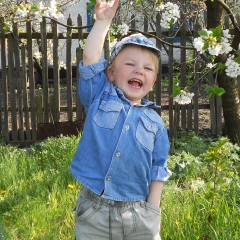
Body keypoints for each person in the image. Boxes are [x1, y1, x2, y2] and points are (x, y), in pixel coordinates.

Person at [70, 0, 170, 239]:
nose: (139, 71)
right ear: (112, 73)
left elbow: (158, 170)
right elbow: (91, 59)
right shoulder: (100, 97)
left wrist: (152, 212)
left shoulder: (156, 124)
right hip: (93, 211)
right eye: (130, 64)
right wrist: (103, 22)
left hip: (138, 214)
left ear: (153, 82)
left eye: (148, 69)